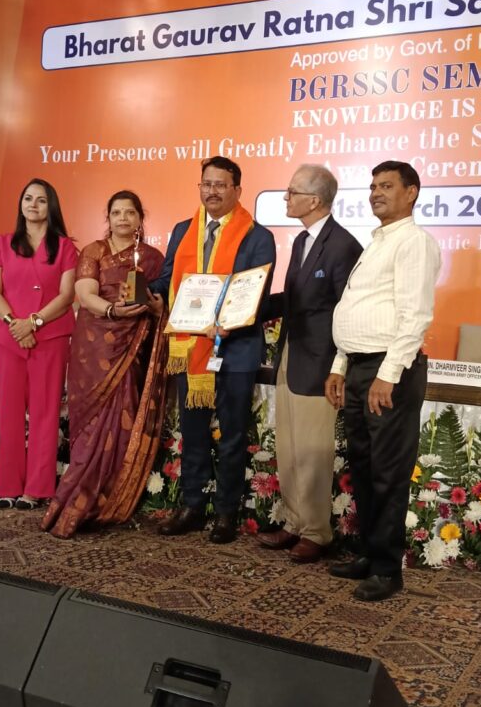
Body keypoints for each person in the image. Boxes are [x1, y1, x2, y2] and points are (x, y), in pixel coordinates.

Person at [327, 160, 441, 601]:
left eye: (387, 186)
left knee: (388, 473)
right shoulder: (377, 242)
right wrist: (340, 365)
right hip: (359, 365)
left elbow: (415, 317)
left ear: (411, 193)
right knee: (362, 466)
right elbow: (355, 311)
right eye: (373, 186)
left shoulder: (414, 242)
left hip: (390, 371)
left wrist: (387, 376)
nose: (376, 193)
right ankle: (370, 553)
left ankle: (388, 569)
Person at [151, 156, 276, 544]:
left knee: (232, 435)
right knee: (193, 433)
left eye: (221, 185)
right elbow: (169, 278)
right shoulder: (183, 230)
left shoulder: (257, 236)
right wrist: (154, 294)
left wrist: (229, 320)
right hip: (190, 346)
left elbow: (257, 292)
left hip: (235, 349)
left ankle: (225, 513)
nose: (212, 191)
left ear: (237, 190)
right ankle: (191, 506)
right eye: (206, 184)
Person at [40, 191, 168, 538]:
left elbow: (160, 302)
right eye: (116, 213)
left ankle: (107, 504)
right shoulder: (93, 251)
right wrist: (113, 311)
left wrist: (153, 308)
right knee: (91, 427)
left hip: (131, 347)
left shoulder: (154, 259)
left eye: (130, 212)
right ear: (108, 218)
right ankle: (73, 502)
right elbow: (85, 295)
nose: (123, 218)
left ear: (140, 218)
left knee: (122, 419)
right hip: (94, 346)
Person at [258, 166, 362, 564]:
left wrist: (339, 365)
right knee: (289, 448)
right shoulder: (303, 239)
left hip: (321, 364)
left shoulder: (343, 245)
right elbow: (294, 300)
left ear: (314, 200)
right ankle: (294, 521)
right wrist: (248, 308)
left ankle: (317, 532)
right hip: (291, 354)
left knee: (313, 452)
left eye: (292, 192)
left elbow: (346, 311)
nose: (286, 198)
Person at [0, 179, 77, 510]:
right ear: (20, 204)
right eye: (28, 198)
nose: (33, 205)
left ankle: (37, 489)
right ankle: (7, 485)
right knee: (9, 412)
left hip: (49, 337)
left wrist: (34, 323)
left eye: (40, 200)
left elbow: (67, 295)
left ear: (50, 206)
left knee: (45, 413)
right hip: (7, 337)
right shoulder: (3, 243)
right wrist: (15, 324)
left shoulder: (65, 247)